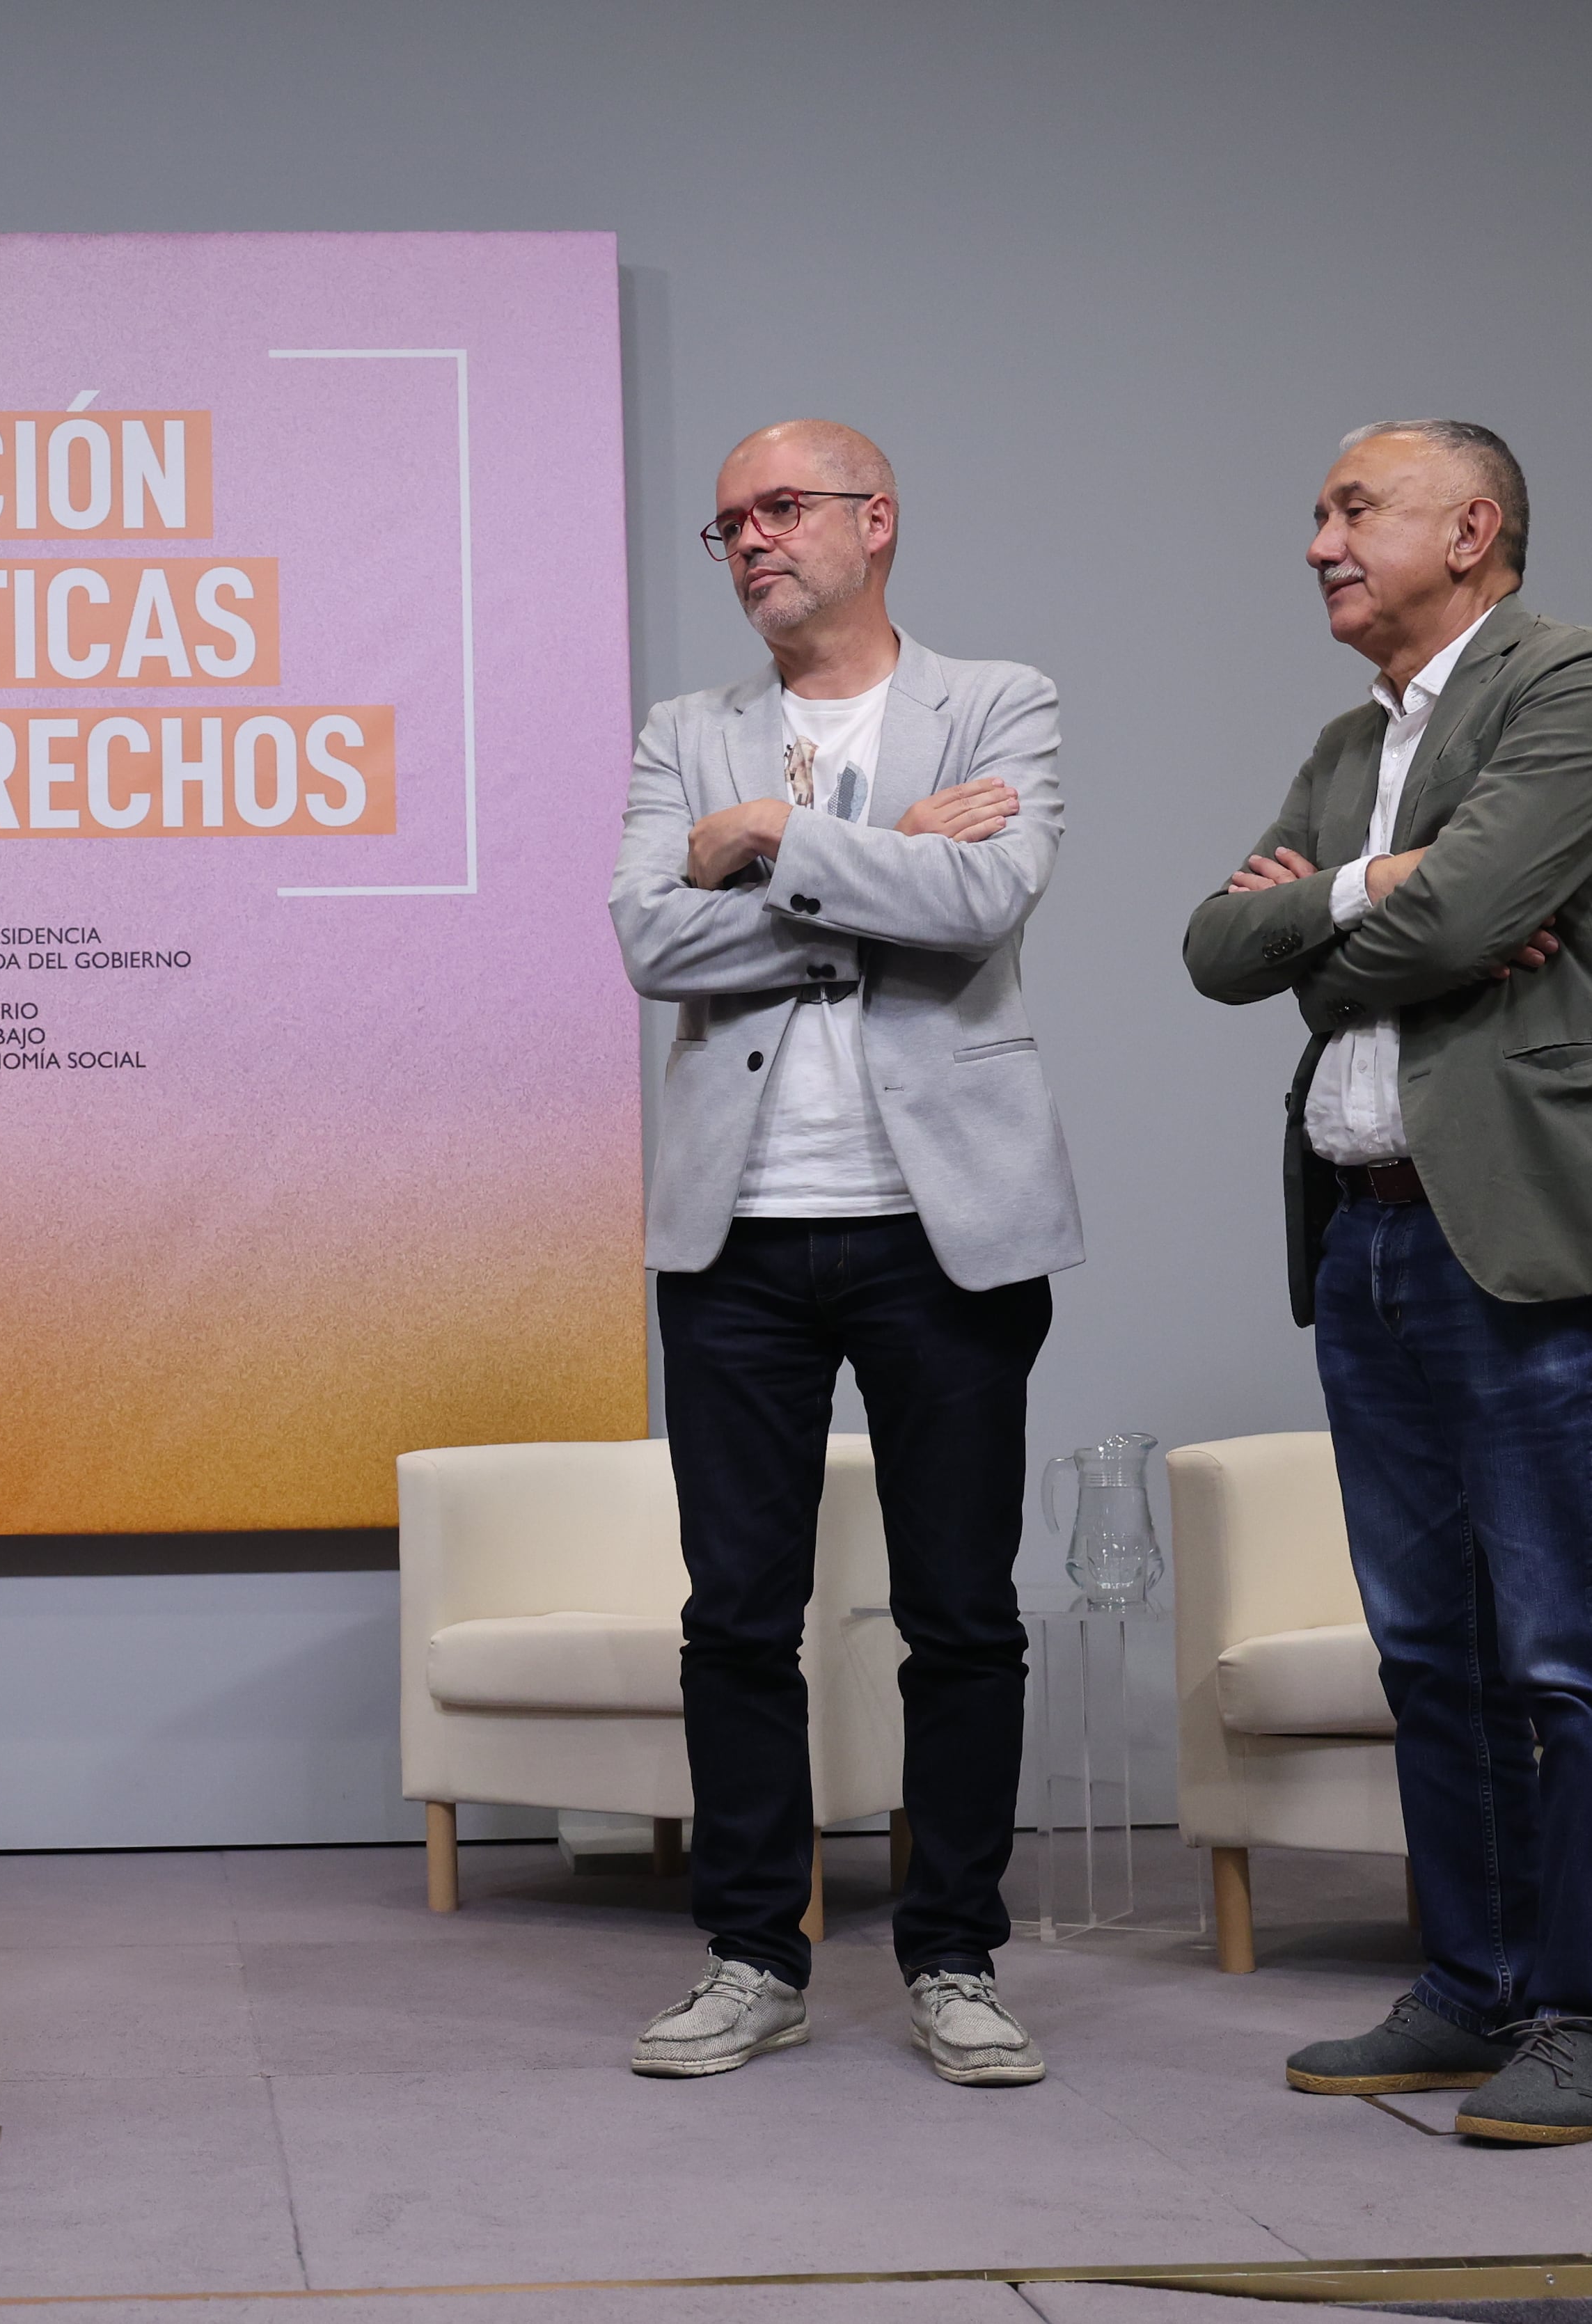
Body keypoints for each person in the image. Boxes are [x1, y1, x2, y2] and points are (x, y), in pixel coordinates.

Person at [1183, 422, 1592, 2145]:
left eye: (1355, 509)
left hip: (1532, 1230)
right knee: (1432, 1647)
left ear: (1472, 527)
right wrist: (1378, 888)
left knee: (1568, 1649)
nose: (1319, 542)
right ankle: (1472, 1982)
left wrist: (1349, 924)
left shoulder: (1577, 684)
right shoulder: (1354, 745)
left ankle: (1591, 2018)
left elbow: (1448, 916)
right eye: (1320, 514)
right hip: (1363, 1236)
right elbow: (1213, 946)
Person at [608, 420, 1082, 2087]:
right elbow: (647, 939)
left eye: (781, 508)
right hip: (735, 1230)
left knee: (960, 1611)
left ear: (875, 522)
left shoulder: (995, 698)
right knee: (738, 1611)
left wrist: (765, 843)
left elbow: (985, 902)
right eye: (725, 522)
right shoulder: (688, 728)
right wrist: (887, 862)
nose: (748, 540)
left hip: (940, 1225)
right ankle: (753, 1955)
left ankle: (951, 1955)